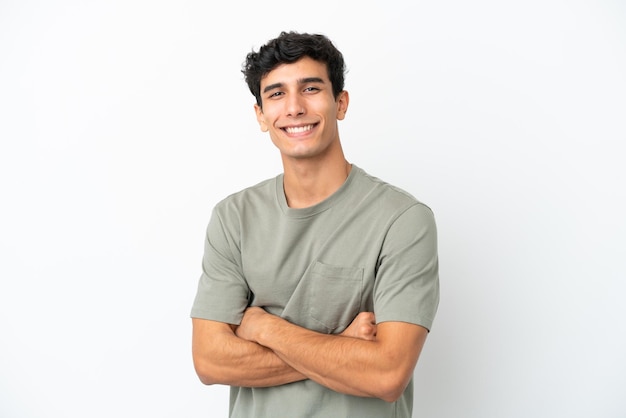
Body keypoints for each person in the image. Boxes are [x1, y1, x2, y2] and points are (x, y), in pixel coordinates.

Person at [190, 31, 440, 418]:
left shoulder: (402, 220)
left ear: (340, 103)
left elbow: (388, 373)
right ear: (260, 116)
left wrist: (263, 327)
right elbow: (210, 361)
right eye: (275, 94)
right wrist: (341, 345)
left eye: (310, 89)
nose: (293, 108)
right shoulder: (233, 217)